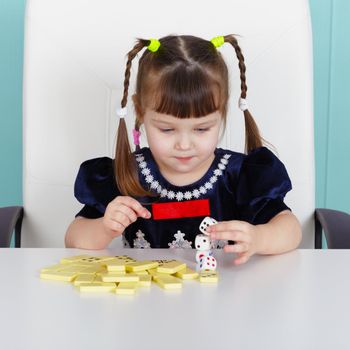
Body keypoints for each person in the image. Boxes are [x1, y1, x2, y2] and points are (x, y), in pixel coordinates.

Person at [65, 34, 302, 265]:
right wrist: (105, 228)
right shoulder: (127, 175)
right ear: (140, 110)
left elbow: (290, 228)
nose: (184, 145)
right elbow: (74, 238)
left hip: (223, 298)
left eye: (201, 129)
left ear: (221, 113)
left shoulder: (239, 175)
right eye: (167, 130)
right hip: (146, 299)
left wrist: (260, 237)